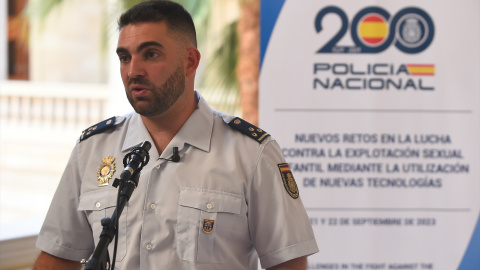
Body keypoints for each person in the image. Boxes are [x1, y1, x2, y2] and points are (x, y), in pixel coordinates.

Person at [33, 1, 318, 269]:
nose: (133, 71)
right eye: (124, 57)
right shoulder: (92, 149)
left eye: (151, 54)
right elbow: (57, 257)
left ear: (190, 62)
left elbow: (288, 263)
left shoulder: (252, 154)